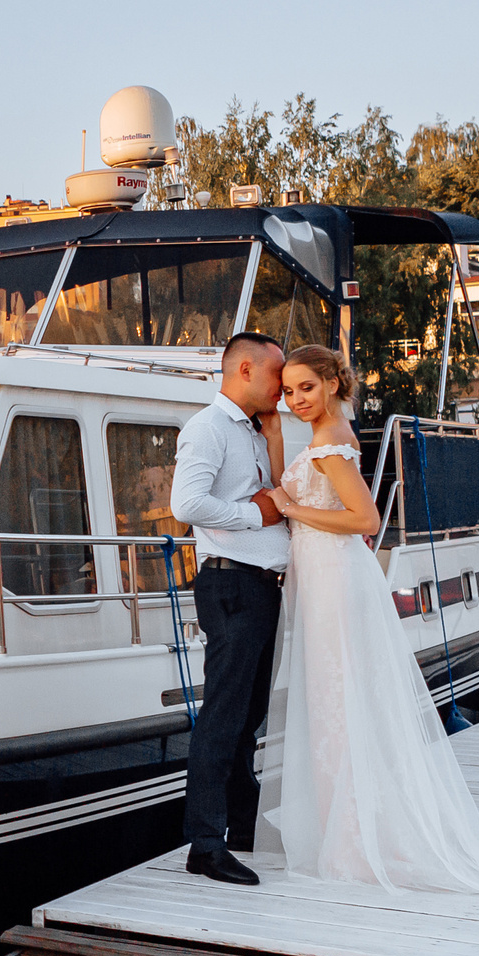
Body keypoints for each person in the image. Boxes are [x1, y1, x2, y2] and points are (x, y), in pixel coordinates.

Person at [260, 344, 479, 893]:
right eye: (288, 392)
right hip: (327, 576)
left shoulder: (330, 447)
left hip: (335, 581)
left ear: (333, 384)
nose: (295, 400)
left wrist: (288, 509)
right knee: (337, 700)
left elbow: (365, 517)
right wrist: (272, 439)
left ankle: (356, 839)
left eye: (306, 388)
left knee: (339, 700)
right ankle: (352, 830)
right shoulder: (327, 437)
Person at [169, 330, 289, 886]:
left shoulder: (259, 431)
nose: (281, 386)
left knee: (247, 717)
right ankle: (205, 845)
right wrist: (254, 516)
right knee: (221, 719)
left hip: (260, 587)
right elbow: (186, 504)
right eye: (275, 375)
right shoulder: (208, 428)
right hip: (231, 585)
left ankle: (241, 827)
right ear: (244, 370)